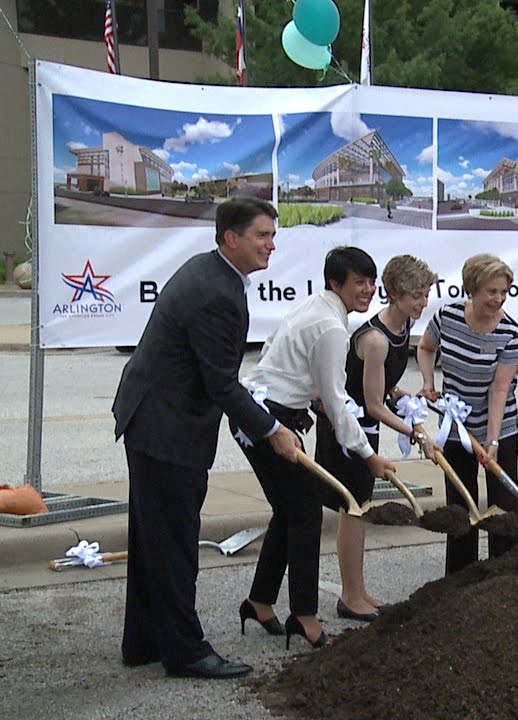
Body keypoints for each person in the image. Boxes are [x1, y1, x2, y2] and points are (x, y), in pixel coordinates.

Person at [112, 197, 301, 679]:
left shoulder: (210, 272)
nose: (271, 245)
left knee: (153, 538)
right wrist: (272, 429)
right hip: (166, 428)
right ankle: (186, 651)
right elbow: (220, 383)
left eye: (272, 235)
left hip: (150, 417)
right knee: (174, 542)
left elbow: (215, 375)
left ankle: (145, 640)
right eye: (262, 235)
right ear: (231, 238)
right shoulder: (216, 291)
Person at [237, 246, 396, 651]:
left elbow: (284, 356)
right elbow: (337, 398)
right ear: (334, 283)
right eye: (358, 282)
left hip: (262, 411)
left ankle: (259, 601)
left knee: (289, 511)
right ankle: (304, 615)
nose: (367, 289)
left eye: (370, 281)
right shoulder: (331, 327)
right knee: (306, 513)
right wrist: (367, 453)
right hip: (268, 419)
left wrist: (310, 397)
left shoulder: (314, 308)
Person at [315, 254, 438, 621]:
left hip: (361, 429)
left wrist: (406, 398)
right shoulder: (376, 340)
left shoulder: (401, 333)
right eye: (416, 295)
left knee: (360, 510)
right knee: (354, 510)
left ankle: (359, 590)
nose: (422, 302)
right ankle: (350, 596)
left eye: (426, 293)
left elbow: (387, 389)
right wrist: (416, 433)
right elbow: (372, 405)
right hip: (346, 430)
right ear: (396, 295)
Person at [418, 253, 518, 572]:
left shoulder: (510, 332)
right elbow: (425, 348)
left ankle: (505, 573)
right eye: (492, 291)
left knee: (503, 506)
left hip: (499, 428)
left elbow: (499, 390)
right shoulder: (447, 317)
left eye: (504, 291)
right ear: (473, 288)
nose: (498, 298)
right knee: (460, 504)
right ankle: (461, 576)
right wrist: (427, 381)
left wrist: (492, 442)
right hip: (455, 427)